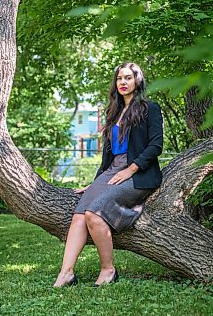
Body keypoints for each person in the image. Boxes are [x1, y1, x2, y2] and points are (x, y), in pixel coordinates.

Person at [53, 62, 164, 287]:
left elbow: (156, 145)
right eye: (119, 78)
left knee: (94, 214)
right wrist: (96, 183)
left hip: (138, 174)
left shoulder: (149, 108)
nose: (123, 82)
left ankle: (108, 270)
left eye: (128, 78)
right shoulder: (113, 112)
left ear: (137, 81)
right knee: (79, 216)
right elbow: (108, 155)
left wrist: (131, 169)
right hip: (112, 171)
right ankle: (66, 273)